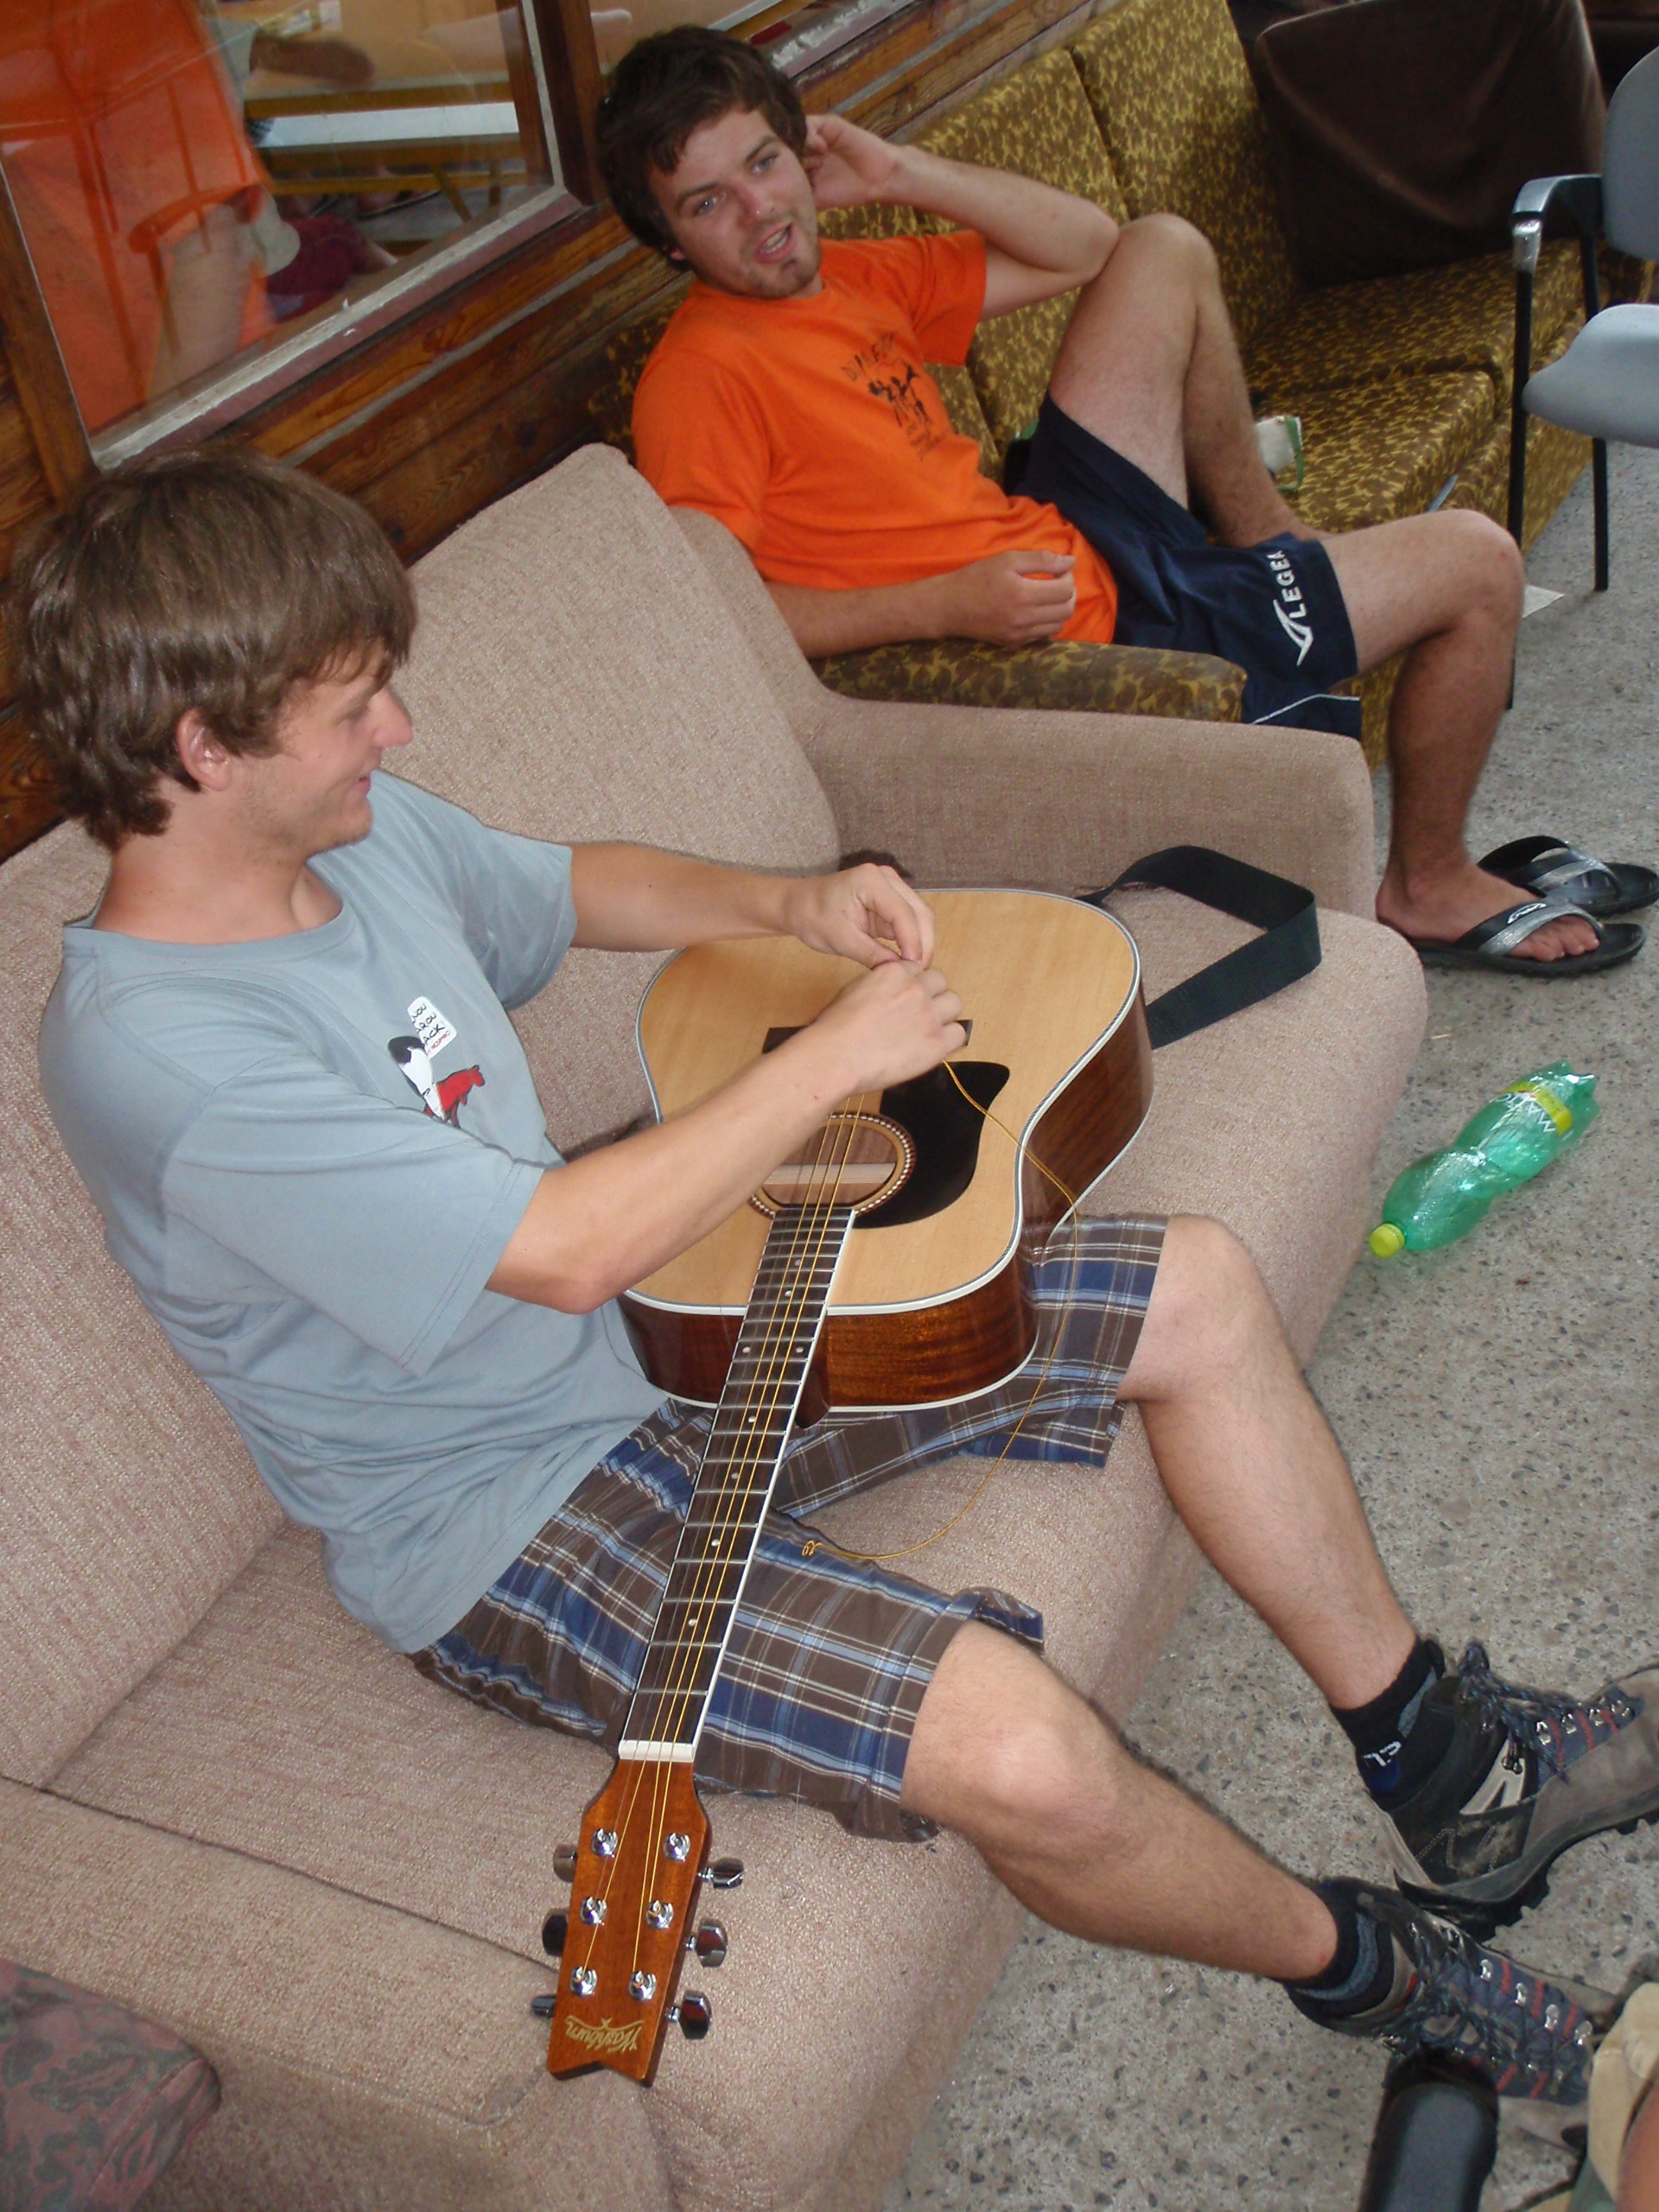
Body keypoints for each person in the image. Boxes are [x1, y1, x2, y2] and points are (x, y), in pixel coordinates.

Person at [22, 448, 1659, 2145]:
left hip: (669, 1320)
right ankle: (1384, 1972)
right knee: (1026, 1755)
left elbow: (567, 885)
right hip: (501, 1513)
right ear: (203, 748)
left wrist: (787, 900)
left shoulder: (346, 840)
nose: (400, 731)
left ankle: (1454, 1772)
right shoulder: (166, 1054)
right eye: (354, 705)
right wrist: (822, 1069)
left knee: (1197, 1284)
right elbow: (558, 1245)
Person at [597, 28, 1658, 978]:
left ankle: (1269, 542)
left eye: (766, 163)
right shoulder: (700, 379)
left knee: (1162, 247)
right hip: (1067, 624)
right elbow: (721, 621)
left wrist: (901, 171)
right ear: (673, 244)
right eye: (709, 202)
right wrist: (945, 604)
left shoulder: (850, 274)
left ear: (802, 155)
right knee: (1479, 561)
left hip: (1066, 534)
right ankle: (1427, 883)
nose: (761, 212)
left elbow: (1088, 245)